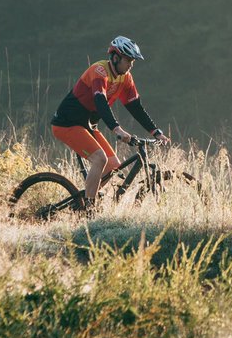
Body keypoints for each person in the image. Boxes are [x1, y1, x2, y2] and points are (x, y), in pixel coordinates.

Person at [51, 36, 170, 210]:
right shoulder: (99, 71)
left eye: (133, 61)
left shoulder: (126, 78)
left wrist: (155, 132)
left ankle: (81, 203)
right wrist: (117, 129)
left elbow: (136, 108)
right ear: (115, 57)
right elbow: (101, 102)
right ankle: (88, 209)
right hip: (67, 123)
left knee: (113, 165)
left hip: (87, 125)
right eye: (128, 60)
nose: (130, 65)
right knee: (100, 159)